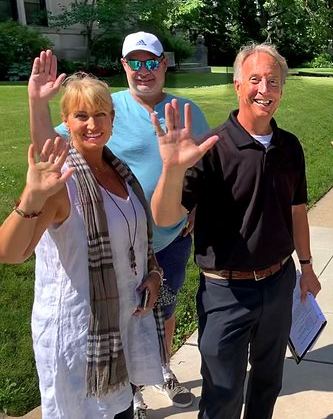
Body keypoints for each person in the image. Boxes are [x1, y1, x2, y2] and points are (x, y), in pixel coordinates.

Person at [28, 32, 210, 415]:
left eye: (151, 62)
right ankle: (131, 391)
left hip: (169, 239)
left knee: (163, 307)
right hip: (112, 239)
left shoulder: (187, 110)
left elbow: (202, 167)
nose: (144, 71)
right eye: (135, 63)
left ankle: (158, 367)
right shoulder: (105, 108)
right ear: (125, 66)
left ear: (164, 64)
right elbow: (51, 149)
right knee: (123, 314)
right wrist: (36, 103)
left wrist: (195, 206)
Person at [150, 43, 321, 419]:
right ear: (238, 85)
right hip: (225, 291)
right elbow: (164, 217)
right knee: (223, 395)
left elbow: (297, 210)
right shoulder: (211, 147)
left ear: (282, 90)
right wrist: (172, 170)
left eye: (273, 82)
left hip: (279, 284)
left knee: (267, 384)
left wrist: (306, 266)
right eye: (255, 80)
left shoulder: (289, 146)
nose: (265, 89)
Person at [0, 73, 166, 418]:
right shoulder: (63, 183)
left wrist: (153, 272)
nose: (93, 124)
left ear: (112, 119)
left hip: (118, 332)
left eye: (101, 114)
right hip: (79, 342)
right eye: (81, 115)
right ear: (66, 121)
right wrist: (31, 196)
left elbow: (135, 238)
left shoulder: (120, 172)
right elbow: (10, 253)